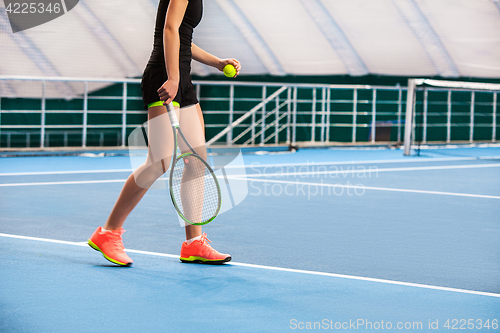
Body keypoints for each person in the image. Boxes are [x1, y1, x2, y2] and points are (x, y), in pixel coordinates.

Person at [87, 0, 241, 266]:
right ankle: (108, 232)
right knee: (159, 161)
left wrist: (216, 62)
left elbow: (182, 36)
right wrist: (172, 78)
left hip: (181, 77)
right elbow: (169, 29)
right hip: (165, 75)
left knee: (197, 161)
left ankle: (194, 243)